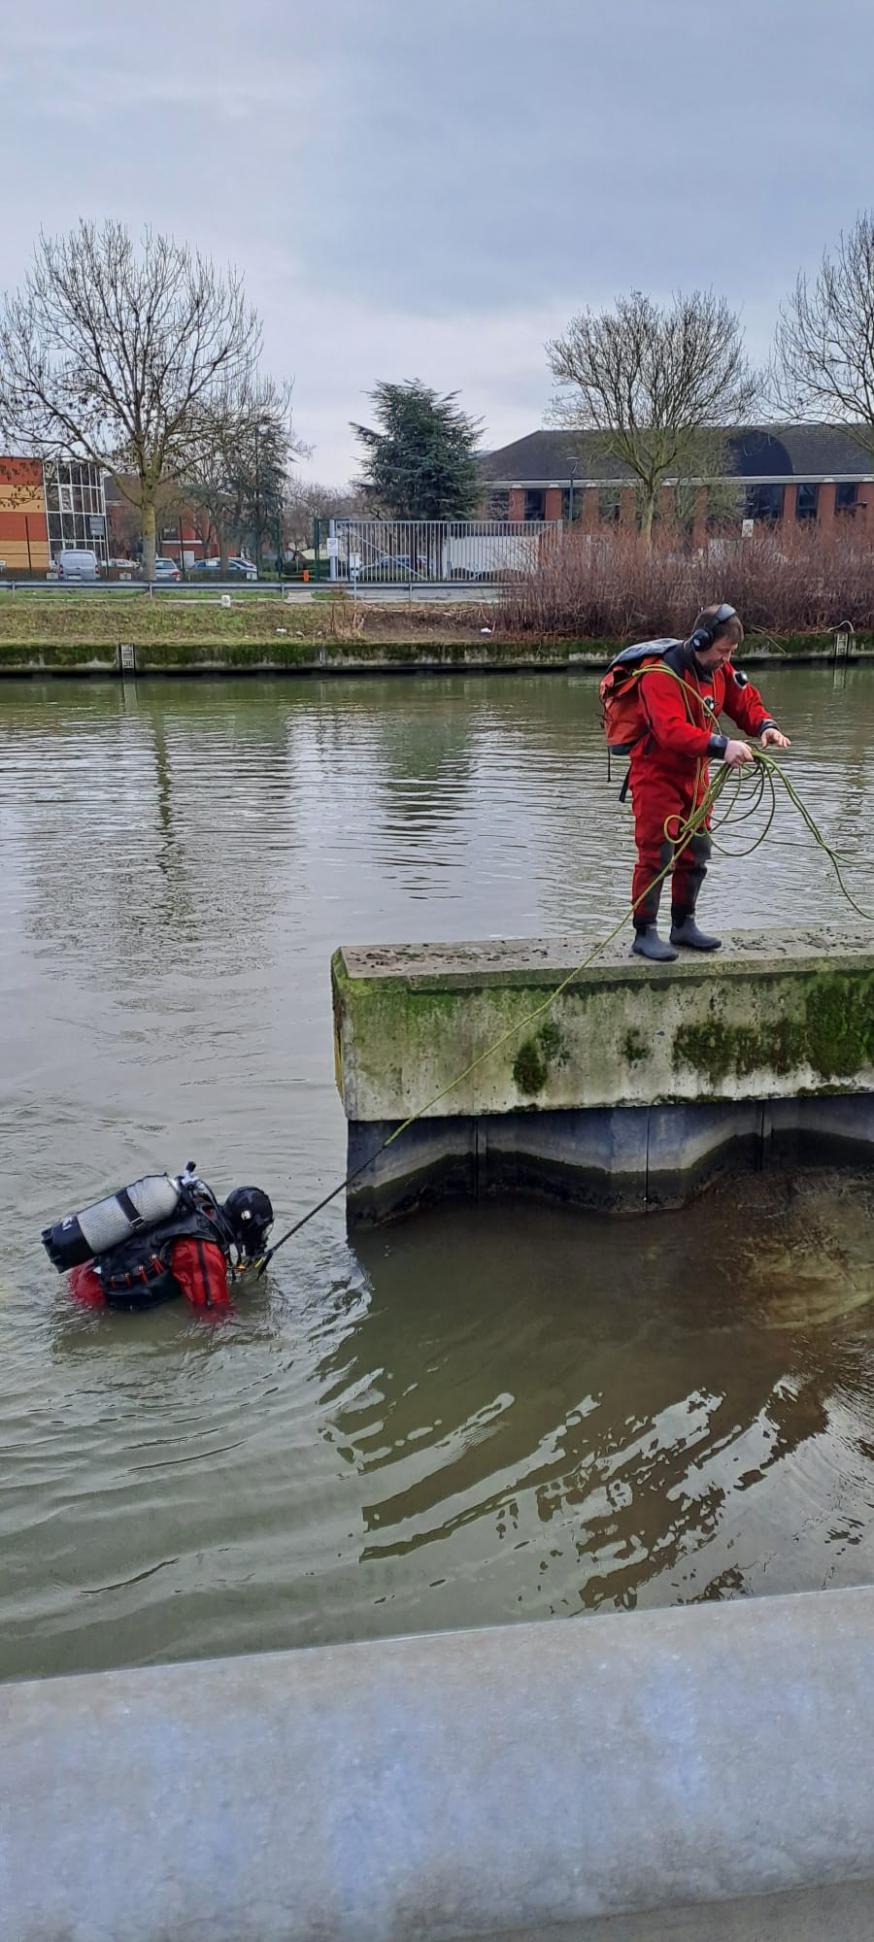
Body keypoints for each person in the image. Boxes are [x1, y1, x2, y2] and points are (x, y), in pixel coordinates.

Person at [629, 603, 791, 962]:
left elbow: (744, 701)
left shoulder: (719, 670)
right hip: (656, 775)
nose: (726, 659)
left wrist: (765, 726)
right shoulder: (659, 674)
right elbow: (670, 731)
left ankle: (683, 924)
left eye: (731, 652)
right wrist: (723, 746)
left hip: (696, 775)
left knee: (697, 851)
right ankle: (645, 931)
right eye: (723, 650)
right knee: (656, 853)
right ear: (701, 640)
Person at [65, 1179, 274, 1313]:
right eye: (262, 1230)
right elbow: (213, 1315)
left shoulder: (201, 1208)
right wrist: (249, 1313)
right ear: (248, 1227)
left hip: (86, 1270)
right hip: (90, 1299)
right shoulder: (205, 1250)